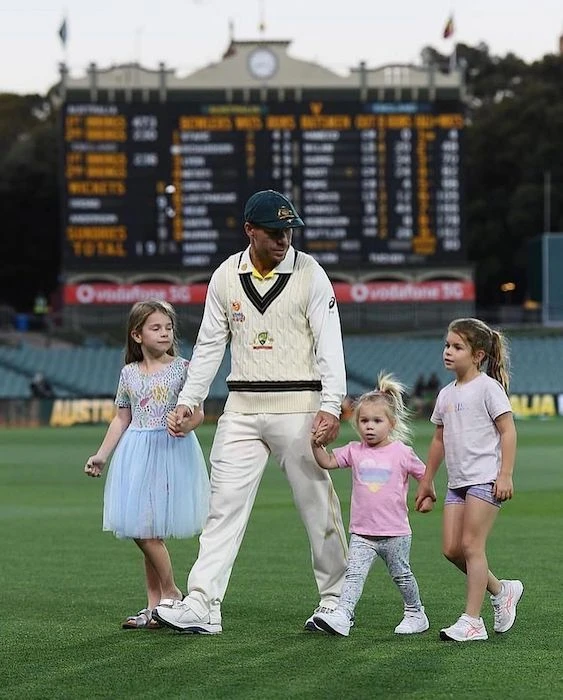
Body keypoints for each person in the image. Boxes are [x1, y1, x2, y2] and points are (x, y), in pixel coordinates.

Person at [153, 189, 348, 634]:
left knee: (317, 505)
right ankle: (203, 602)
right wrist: (189, 400)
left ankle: (337, 600)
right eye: (275, 232)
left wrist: (331, 406)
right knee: (221, 507)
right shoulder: (225, 276)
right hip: (241, 408)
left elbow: (329, 344)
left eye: (288, 231)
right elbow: (208, 346)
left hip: (300, 406)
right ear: (250, 231)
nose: (284, 240)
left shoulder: (311, 274)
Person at [84, 300, 210, 629]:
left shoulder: (183, 368)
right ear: (137, 335)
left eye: (168, 327)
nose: (165, 333)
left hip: (170, 451)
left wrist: (187, 424)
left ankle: (170, 594)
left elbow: (198, 412)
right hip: (137, 451)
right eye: (156, 328)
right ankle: (157, 606)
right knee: (144, 527)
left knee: (145, 529)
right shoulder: (129, 373)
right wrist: (102, 454)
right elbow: (122, 417)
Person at [415, 317, 523, 642]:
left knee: (472, 546)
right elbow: (438, 439)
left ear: (477, 355)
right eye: (447, 345)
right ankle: (502, 590)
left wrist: (505, 475)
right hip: (457, 482)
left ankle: (472, 621)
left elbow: (508, 431)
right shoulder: (446, 394)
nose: (448, 351)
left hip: (485, 479)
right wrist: (426, 480)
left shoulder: (489, 388)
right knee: (451, 550)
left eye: (457, 347)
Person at [310, 373, 432, 637]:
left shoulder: (401, 452)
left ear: (391, 423)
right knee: (353, 575)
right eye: (364, 421)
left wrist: (428, 495)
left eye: (377, 421)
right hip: (362, 533)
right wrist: (315, 444)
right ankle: (343, 615)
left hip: (395, 533)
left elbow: (425, 475)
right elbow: (328, 461)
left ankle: (415, 612)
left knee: (402, 575)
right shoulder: (355, 450)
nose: (369, 427)